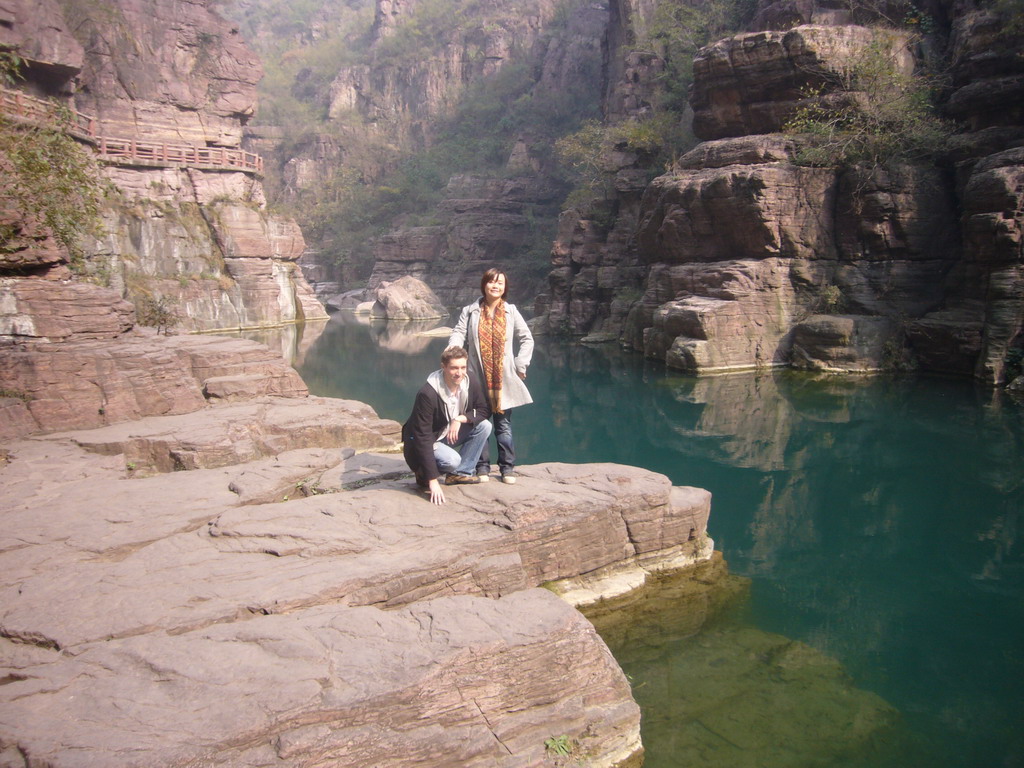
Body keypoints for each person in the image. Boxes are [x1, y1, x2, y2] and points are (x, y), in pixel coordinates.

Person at [448, 268, 534, 484]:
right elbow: (459, 333)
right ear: (484, 284)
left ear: (504, 288)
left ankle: (507, 468)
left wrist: (520, 364)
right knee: (479, 424)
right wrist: (453, 352)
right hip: (476, 379)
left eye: (500, 283)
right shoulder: (471, 311)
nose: (496, 286)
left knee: (503, 425)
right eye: (492, 282)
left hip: (502, 380)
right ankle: (482, 467)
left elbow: (527, 338)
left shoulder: (511, 311)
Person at [402, 345, 492, 505]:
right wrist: (432, 480)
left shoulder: (470, 380)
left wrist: (460, 419)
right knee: (451, 460)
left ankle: (460, 473)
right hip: (425, 441)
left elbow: (484, 410)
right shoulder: (428, 394)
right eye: (454, 368)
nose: (459, 373)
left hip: (447, 431)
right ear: (443, 367)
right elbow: (422, 437)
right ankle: (422, 474)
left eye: (463, 367)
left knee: (484, 426)